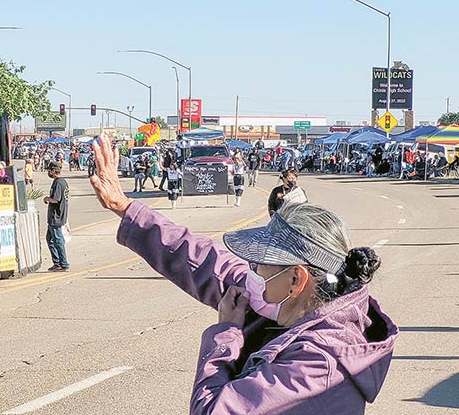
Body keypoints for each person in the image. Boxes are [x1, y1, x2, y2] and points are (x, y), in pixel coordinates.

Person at [88, 134, 397, 414]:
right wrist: (126, 208)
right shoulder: (302, 305)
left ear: (296, 279)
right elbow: (207, 262)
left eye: (263, 262)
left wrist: (226, 334)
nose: (252, 268)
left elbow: (212, 410)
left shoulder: (317, 363)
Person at [43, 163, 69, 271]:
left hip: (56, 217)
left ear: (53, 170)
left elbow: (56, 199)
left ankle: (63, 264)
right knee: (50, 239)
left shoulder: (59, 183)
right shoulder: (61, 182)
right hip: (55, 216)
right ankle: (57, 262)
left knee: (57, 241)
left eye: (49, 170)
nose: (48, 172)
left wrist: (47, 199)